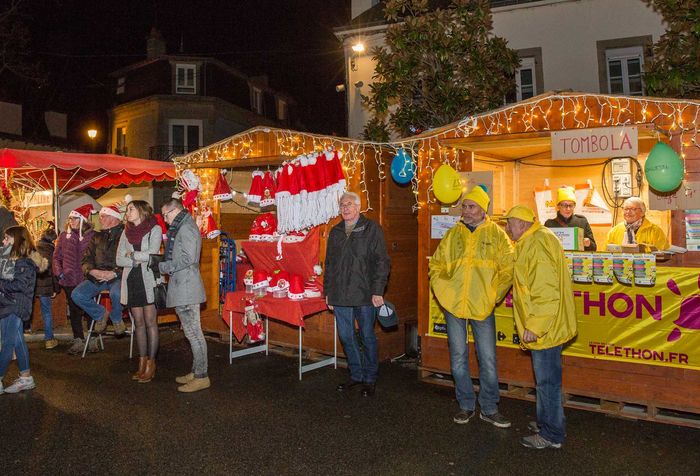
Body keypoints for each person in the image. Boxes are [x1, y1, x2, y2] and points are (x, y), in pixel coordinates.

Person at [428, 186, 513, 427]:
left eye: (471, 206)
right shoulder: (453, 234)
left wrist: (492, 296)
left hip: (482, 306)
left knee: (487, 358)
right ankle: (466, 405)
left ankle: (488, 407)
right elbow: (436, 265)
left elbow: (508, 268)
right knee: (457, 358)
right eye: (464, 206)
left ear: (482, 209)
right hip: (454, 305)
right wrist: (443, 291)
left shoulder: (497, 235)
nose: (466, 211)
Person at [503, 205, 577, 450]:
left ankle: (551, 434)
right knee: (547, 381)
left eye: (510, 223)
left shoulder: (535, 245)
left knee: (547, 383)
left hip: (546, 328)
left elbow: (546, 291)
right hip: (550, 325)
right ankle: (549, 423)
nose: (507, 228)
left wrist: (535, 325)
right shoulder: (535, 240)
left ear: (522, 224)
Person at [324, 191, 390, 397]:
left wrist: (378, 290)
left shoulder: (372, 229)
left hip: (365, 294)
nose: (345, 208)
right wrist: (328, 292)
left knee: (366, 335)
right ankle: (356, 374)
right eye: (342, 204)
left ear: (359, 207)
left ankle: (370, 378)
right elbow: (330, 265)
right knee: (345, 335)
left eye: (349, 204)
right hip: (340, 294)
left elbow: (382, 262)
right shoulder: (335, 232)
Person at [158, 198, 209, 393]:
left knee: (194, 334)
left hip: (187, 287)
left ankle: (202, 376)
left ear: (175, 210)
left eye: (166, 215)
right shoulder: (184, 226)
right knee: (191, 333)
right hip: (184, 286)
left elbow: (189, 258)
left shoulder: (186, 228)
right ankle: (197, 371)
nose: (165, 220)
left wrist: (165, 266)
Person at [116, 200, 162, 383]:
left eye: (131, 209)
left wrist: (132, 255)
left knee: (151, 322)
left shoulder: (154, 229)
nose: (128, 212)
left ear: (142, 211)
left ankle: (152, 363)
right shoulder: (125, 232)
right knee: (139, 323)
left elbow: (153, 254)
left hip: (148, 280)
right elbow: (119, 259)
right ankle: (141, 362)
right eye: (127, 210)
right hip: (132, 280)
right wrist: (134, 260)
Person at [0, 226, 47, 394]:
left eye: (7, 238)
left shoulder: (24, 262)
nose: (4, 241)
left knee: (7, 343)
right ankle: (26, 377)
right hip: (8, 304)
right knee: (18, 341)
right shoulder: (13, 261)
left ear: (17, 240)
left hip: (15, 305)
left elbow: (20, 285)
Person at [72, 202, 126, 337]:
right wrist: (92, 271)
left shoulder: (125, 235)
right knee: (77, 294)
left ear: (113, 218)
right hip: (97, 277)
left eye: (103, 217)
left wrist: (114, 272)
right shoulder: (97, 236)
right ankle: (101, 314)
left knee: (116, 294)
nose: (100, 220)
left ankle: (117, 319)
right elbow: (86, 259)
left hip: (117, 276)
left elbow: (129, 259)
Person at [54, 204, 96, 354]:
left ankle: (93, 338)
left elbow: (96, 257)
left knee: (89, 308)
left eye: (75, 218)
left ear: (83, 220)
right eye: (70, 218)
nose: (71, 221)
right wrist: (60, 273)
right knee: (74, 310)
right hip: (69, 279)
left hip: (87, 279)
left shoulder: (92, 236)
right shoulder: (64, 237)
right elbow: (56, 257)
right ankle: (78, 339)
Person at [544, 186, 596, 251]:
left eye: (571, 205)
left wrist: (588, 244)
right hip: (557, 260)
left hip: (577, 260)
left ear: (574, 206)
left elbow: (594, 248)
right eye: (565, 205)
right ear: (558, 206)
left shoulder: (582, 222)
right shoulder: (549, 224)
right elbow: (543, 248)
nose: (568, 209)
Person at [35, 225, 60, 349]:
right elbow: (54, 272)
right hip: (46, 287)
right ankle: (49, 339)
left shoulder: (34, 249)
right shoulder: (52, 252)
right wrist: (56, 289)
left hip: (33, 286)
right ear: (53, 240)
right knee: (47, 312)